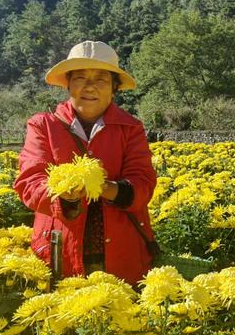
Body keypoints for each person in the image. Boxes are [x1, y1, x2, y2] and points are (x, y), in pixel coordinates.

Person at [14, 41, 157, 285]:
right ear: (68, 84)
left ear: (115, 87)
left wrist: (101, 186)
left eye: (101, 79)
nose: (89, 86)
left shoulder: (131, 128)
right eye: (80, 77)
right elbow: (30, 181)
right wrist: (65, 195)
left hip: (123, 251)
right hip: (60, 250)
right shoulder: (42, 125)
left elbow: (143, 184)